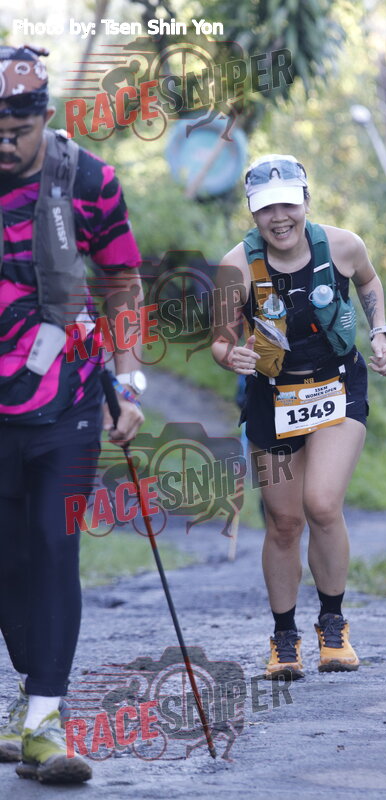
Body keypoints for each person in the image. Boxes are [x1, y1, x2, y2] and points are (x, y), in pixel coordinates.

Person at [0, 45, 146, 783]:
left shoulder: (88, 180)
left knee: (55, 549)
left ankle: (44, 720)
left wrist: (130, 377)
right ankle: (32, 694)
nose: (4, 144)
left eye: (16, 130)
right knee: (9, 559)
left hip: (69, 399)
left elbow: (121, 278)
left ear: (45, 117)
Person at [212, 154, 386, 679]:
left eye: (288, 204)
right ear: (253, 213)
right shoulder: (234, 268)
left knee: (321, 503)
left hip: (337, 386)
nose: (279, 218)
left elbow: (369, 283)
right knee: (284, 522)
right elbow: (220, 340)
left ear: (306, 202)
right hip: (272, 398)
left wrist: (380, 333)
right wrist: (232, 356)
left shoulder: (343, 245)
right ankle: (284, 637)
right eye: (266, 208)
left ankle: (333, 626)